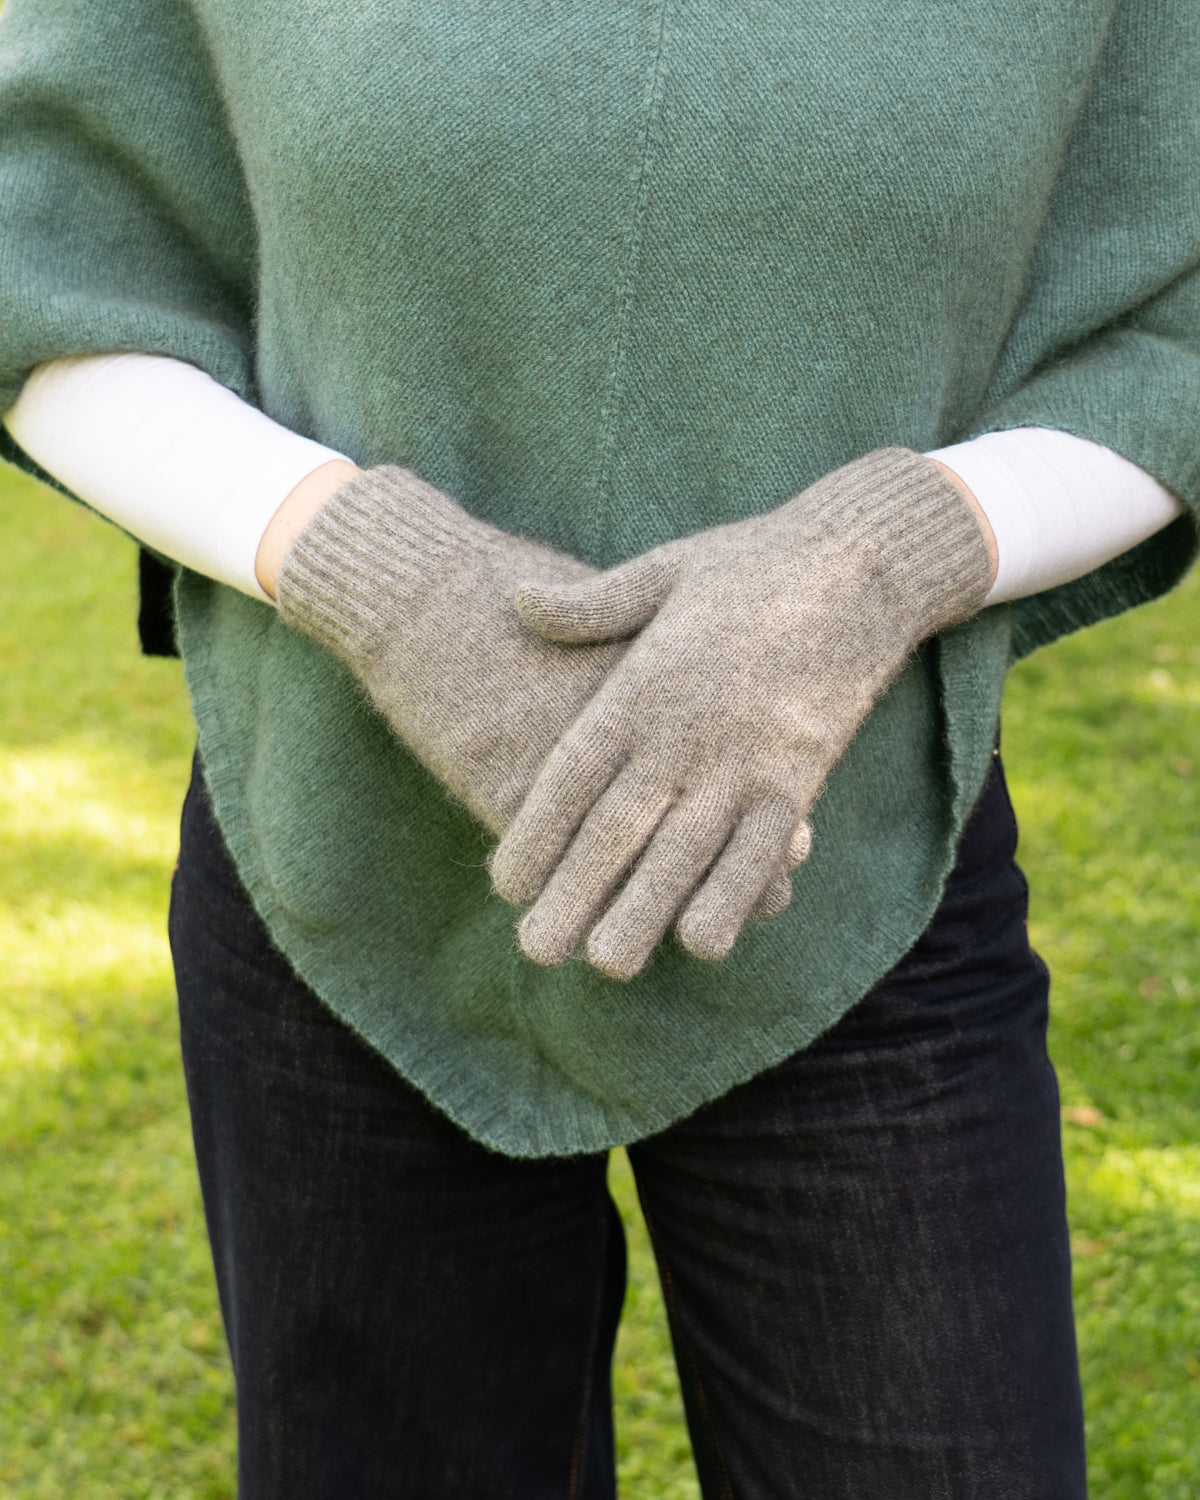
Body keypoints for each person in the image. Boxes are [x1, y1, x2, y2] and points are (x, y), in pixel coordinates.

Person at [1, 2, 1197, 1495]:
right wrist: (379, 576)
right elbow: (54, 273)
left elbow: (1171, 332)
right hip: (338, 864)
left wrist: (875, 561)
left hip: (857, 872)